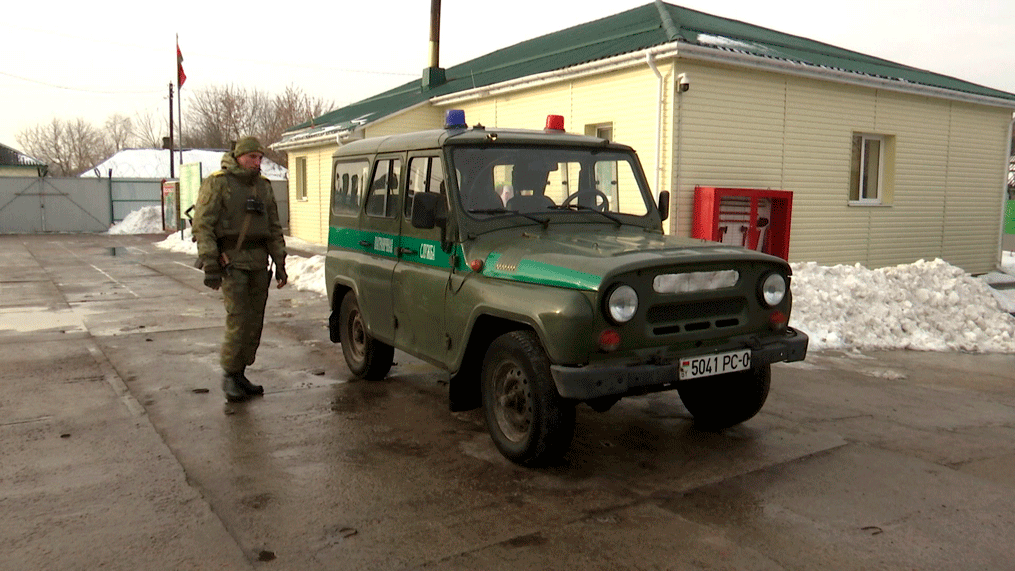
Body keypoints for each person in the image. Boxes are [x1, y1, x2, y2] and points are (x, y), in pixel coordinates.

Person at [193, 137, 287, 402]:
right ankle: (229, 375)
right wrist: (210, 263)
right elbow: (203, 225)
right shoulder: (218, 183)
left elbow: (273, 228)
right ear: (238, 157)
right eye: (252, 157)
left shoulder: (263, 187)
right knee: (238, 319)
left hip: (259, 263)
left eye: (260, 158)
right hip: (231, 262)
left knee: (254, 321)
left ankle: (240, 372)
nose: (257, 163)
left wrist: (280, 263)